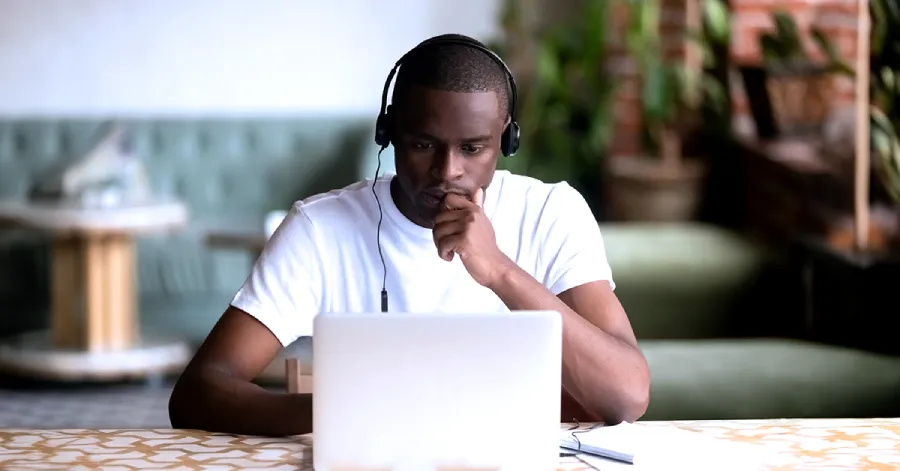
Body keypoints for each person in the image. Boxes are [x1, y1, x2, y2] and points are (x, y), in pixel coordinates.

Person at [168, 34, 650, 437]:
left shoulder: (551, 213)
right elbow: (199, 392)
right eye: (423, 145)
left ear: (506, 139)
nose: (448, 171)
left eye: (473, 148)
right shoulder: (321, 230)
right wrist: (343, 412)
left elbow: (626, 396)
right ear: (390, 133)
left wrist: (500, 270)